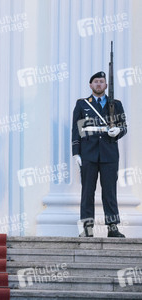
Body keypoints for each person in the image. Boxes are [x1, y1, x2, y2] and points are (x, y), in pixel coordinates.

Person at [72, 71, 127, 238]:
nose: (98, 84)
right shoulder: (82, 104)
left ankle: (112, 227)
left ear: (106, 85)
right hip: (88, 154)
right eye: (96, 81)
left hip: (109, 154)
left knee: (109, 192)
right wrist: (76, 152)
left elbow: (123, 126)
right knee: (87, 191)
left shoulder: (115, 104)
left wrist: (118, 131)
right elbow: (76, 130)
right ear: (90, 85)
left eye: (101, 82)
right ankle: (88, 228)